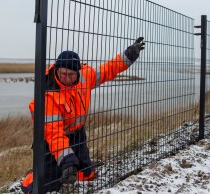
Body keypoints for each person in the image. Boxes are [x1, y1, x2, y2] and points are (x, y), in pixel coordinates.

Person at [21, 37, 145, 193]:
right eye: (63, 73)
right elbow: (54, 134)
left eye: (71, 75)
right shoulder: (47, 94)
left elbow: (108, 70)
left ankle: (74, 167)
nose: (66, 78)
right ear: (56, 70)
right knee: (43, 186)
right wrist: (66, 159)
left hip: (77, 133)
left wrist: (129, 55)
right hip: (52, 139)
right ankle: (30, 177)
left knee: (86, 174)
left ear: (78, 72)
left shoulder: (85, 76)